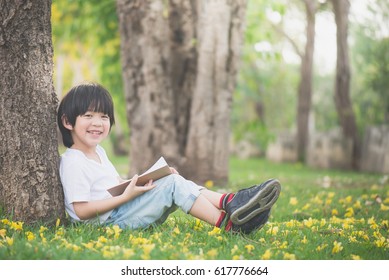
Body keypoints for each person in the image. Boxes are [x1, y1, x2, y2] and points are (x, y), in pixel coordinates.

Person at [57, 82, 281, 234]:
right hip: (110, 223)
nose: (97, 123)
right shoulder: (73, 161)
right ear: (68, 122)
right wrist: (126, 197)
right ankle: (231, 223)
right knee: (173, 184)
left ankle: (232, 202)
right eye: (88, 116)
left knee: (171, 179)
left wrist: (145, 179)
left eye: (104, 117)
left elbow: (114, 185)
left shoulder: (99, 152)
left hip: (120, 212)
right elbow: (81, 211)